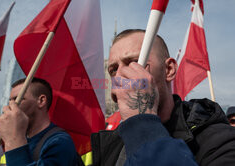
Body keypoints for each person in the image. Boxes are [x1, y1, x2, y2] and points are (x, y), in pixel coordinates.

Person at [91, 29, 235, 166]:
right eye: (113, 69)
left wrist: (142, 124)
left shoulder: (219, 140)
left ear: (169, 70)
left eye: (133, 62)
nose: (119, 76)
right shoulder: (110, 145)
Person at [0, 78, 78, 166]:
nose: (11, 107)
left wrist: (14, 140)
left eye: (18, 99)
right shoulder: (25, 139)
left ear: (41, 101)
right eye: (10, 101)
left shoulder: (59, 142)